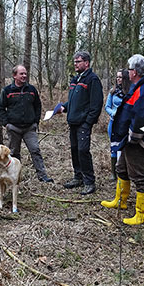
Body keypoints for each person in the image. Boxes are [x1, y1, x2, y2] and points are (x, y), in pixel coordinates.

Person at [101, 54, 144, 225]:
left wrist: (132, 138)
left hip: (139, 142)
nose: (127, 72)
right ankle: (120, 201)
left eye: (129, 69)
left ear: (134, 72)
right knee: (122, 169)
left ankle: (142, 214)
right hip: (129, 140)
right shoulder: (138, 87)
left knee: (139, 176)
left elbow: (141, 118)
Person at [0, 65, 53, 183]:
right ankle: (15, 177)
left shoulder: (32, 90)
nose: (24, 76)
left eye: (25, 74)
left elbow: (37, 106)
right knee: (14, 153)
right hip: (13, 128)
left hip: (29, 128)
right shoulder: (7, 91)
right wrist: (6, 124)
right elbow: (0, 108)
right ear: (14, 75)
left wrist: (35, 121)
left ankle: (42, 176)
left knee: (35, 150)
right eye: (21, 74)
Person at [59, 51, 103, 195]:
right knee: (74, 149)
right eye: (75, 62)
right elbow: (74, 101)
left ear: (86, 63)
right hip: (73, 121)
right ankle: (78, 177)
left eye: (78, 62)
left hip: (83, 123)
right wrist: (64, 107)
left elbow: (96, 104)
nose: (75, 64)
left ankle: (89, 181)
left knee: (83, 151)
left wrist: (88, 122)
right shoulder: (75, 79)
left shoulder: (92, 79)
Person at [105, 69, 131, 181]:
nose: (118, 79)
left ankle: (124, 172)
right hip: (113, 123)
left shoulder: (130, 92)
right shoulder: (113, 91)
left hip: (125, 124)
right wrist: (114, 114)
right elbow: (107, 107)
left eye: (120, 77)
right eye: (117, 77)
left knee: (125, 147)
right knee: (114, 147)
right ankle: (113, 173)